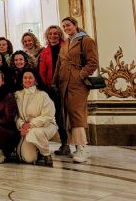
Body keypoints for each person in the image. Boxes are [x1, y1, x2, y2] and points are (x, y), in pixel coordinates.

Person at [53, 16, 98, 163]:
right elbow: (59, 64)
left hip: (77, 83)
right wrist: (55, 82)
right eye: (64, 26)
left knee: (76, 114)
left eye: (68, 25)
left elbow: (93, 62)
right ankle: (78, 146)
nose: (66, 28)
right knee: (68, 115)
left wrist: (80, 75)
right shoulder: (66, 43)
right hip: (64, 83)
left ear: (75, 25)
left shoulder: (86, 40)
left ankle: (82, 148)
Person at [15, 68, 57, 166]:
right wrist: (21, 124)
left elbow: (48, 116)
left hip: (45, 127)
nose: (27, 80)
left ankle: (46, 153)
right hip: (25, 128)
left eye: (30, 78)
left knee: (34, 131)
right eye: (25, 78)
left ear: (35, 80)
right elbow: (16, 115)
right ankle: (38, 150)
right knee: (29, 158)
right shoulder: (17, 95)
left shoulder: (43, 95)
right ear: (21, 80)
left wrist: (30, 125)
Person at [39, 25, 69, 156]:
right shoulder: (45, 52)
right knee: (58, 117)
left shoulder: (66, 47)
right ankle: (64, 143)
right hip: (51, 89)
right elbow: (42, 72)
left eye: (55, 33)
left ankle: (74, 143)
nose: (53, 36)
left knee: (68, 116)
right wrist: (47, 87)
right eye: (50, 34)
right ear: (47, 36)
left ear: (60, 35)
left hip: (67, 86)